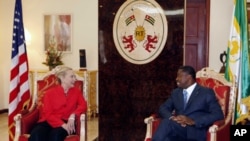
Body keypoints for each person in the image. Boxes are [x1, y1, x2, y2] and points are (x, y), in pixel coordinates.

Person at [152, 65, 224, 141]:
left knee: (167, 123)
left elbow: (218, 114)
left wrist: (193, 121)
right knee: (166, 136)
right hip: (177, 129)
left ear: (189, 77)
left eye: (179, 76)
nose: (176, 79)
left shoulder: (206, 93)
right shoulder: (176, 93)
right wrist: (172, 118)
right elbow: (163, 108)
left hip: (195, 131)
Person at [29, 65, 87, 141]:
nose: (75, 79)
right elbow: (48, 113)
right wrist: (62, 124)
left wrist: (73, 115)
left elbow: (83, 105)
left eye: (74, 77)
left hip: (67, 122)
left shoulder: (76, 92)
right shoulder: (49, 93)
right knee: (36, 134)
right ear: (62, 78)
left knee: (55, 136)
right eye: (71, 77)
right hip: (48, 121)